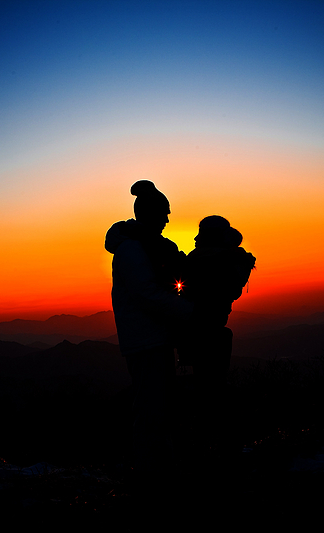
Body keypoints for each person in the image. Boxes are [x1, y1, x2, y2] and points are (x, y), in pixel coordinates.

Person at [104, 180, 192, 487]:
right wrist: (190, 312)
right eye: (164, 213)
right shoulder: (133, 249)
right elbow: (147, 294)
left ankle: (158, 469)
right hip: (146, 341)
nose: (168, 220)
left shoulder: (148, 246)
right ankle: (151, 475)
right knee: (151, 409)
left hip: (154, 338)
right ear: (150, 214)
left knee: (159, 406)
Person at [178, 215, 256, 454]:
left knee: (204, 392)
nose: (195, 237)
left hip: (199, 331)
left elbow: (189, 283)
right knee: (212, 388)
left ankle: (208, 447)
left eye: (201, 233)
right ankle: (218, 445)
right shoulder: (232, 260)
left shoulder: (210, 260)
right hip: (213, 330)